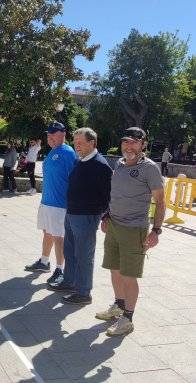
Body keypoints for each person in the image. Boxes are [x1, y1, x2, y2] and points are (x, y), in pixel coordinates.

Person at [96, 127, 165, 336]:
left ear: (143, 144)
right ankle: (118, 305)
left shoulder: (150, 168)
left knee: (129, 275)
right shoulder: (119, 163)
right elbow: (115, 194)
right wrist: (106, 215)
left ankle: (127, 319)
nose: (129, 146)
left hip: (134, 229)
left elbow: (160, 202)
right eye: (126, 142)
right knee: (114, 269)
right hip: (114, 225)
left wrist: (156, 231)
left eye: (134, 142)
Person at [48, 128, 112, 305]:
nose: (77, 146)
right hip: (72, 213)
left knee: (84, 255)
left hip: (87, 216)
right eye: (75, 143)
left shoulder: (101, 165)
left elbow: (108, 195)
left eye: (80, 143)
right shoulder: (79, 161)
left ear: (92, 143)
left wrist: (103, 215)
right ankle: (69, 282)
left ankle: (84, 293)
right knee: (70, 251)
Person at [25, 122, 77, 285]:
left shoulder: (67, 152)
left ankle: (60, 270)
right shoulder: (52, 152)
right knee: (47, 232)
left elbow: (74, 178)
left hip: (59, 205)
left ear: (63, 134)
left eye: (53, 134)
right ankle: (44, 262)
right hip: (47, 202)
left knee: (58, 237)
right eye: (48, 134)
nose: (50, 137)